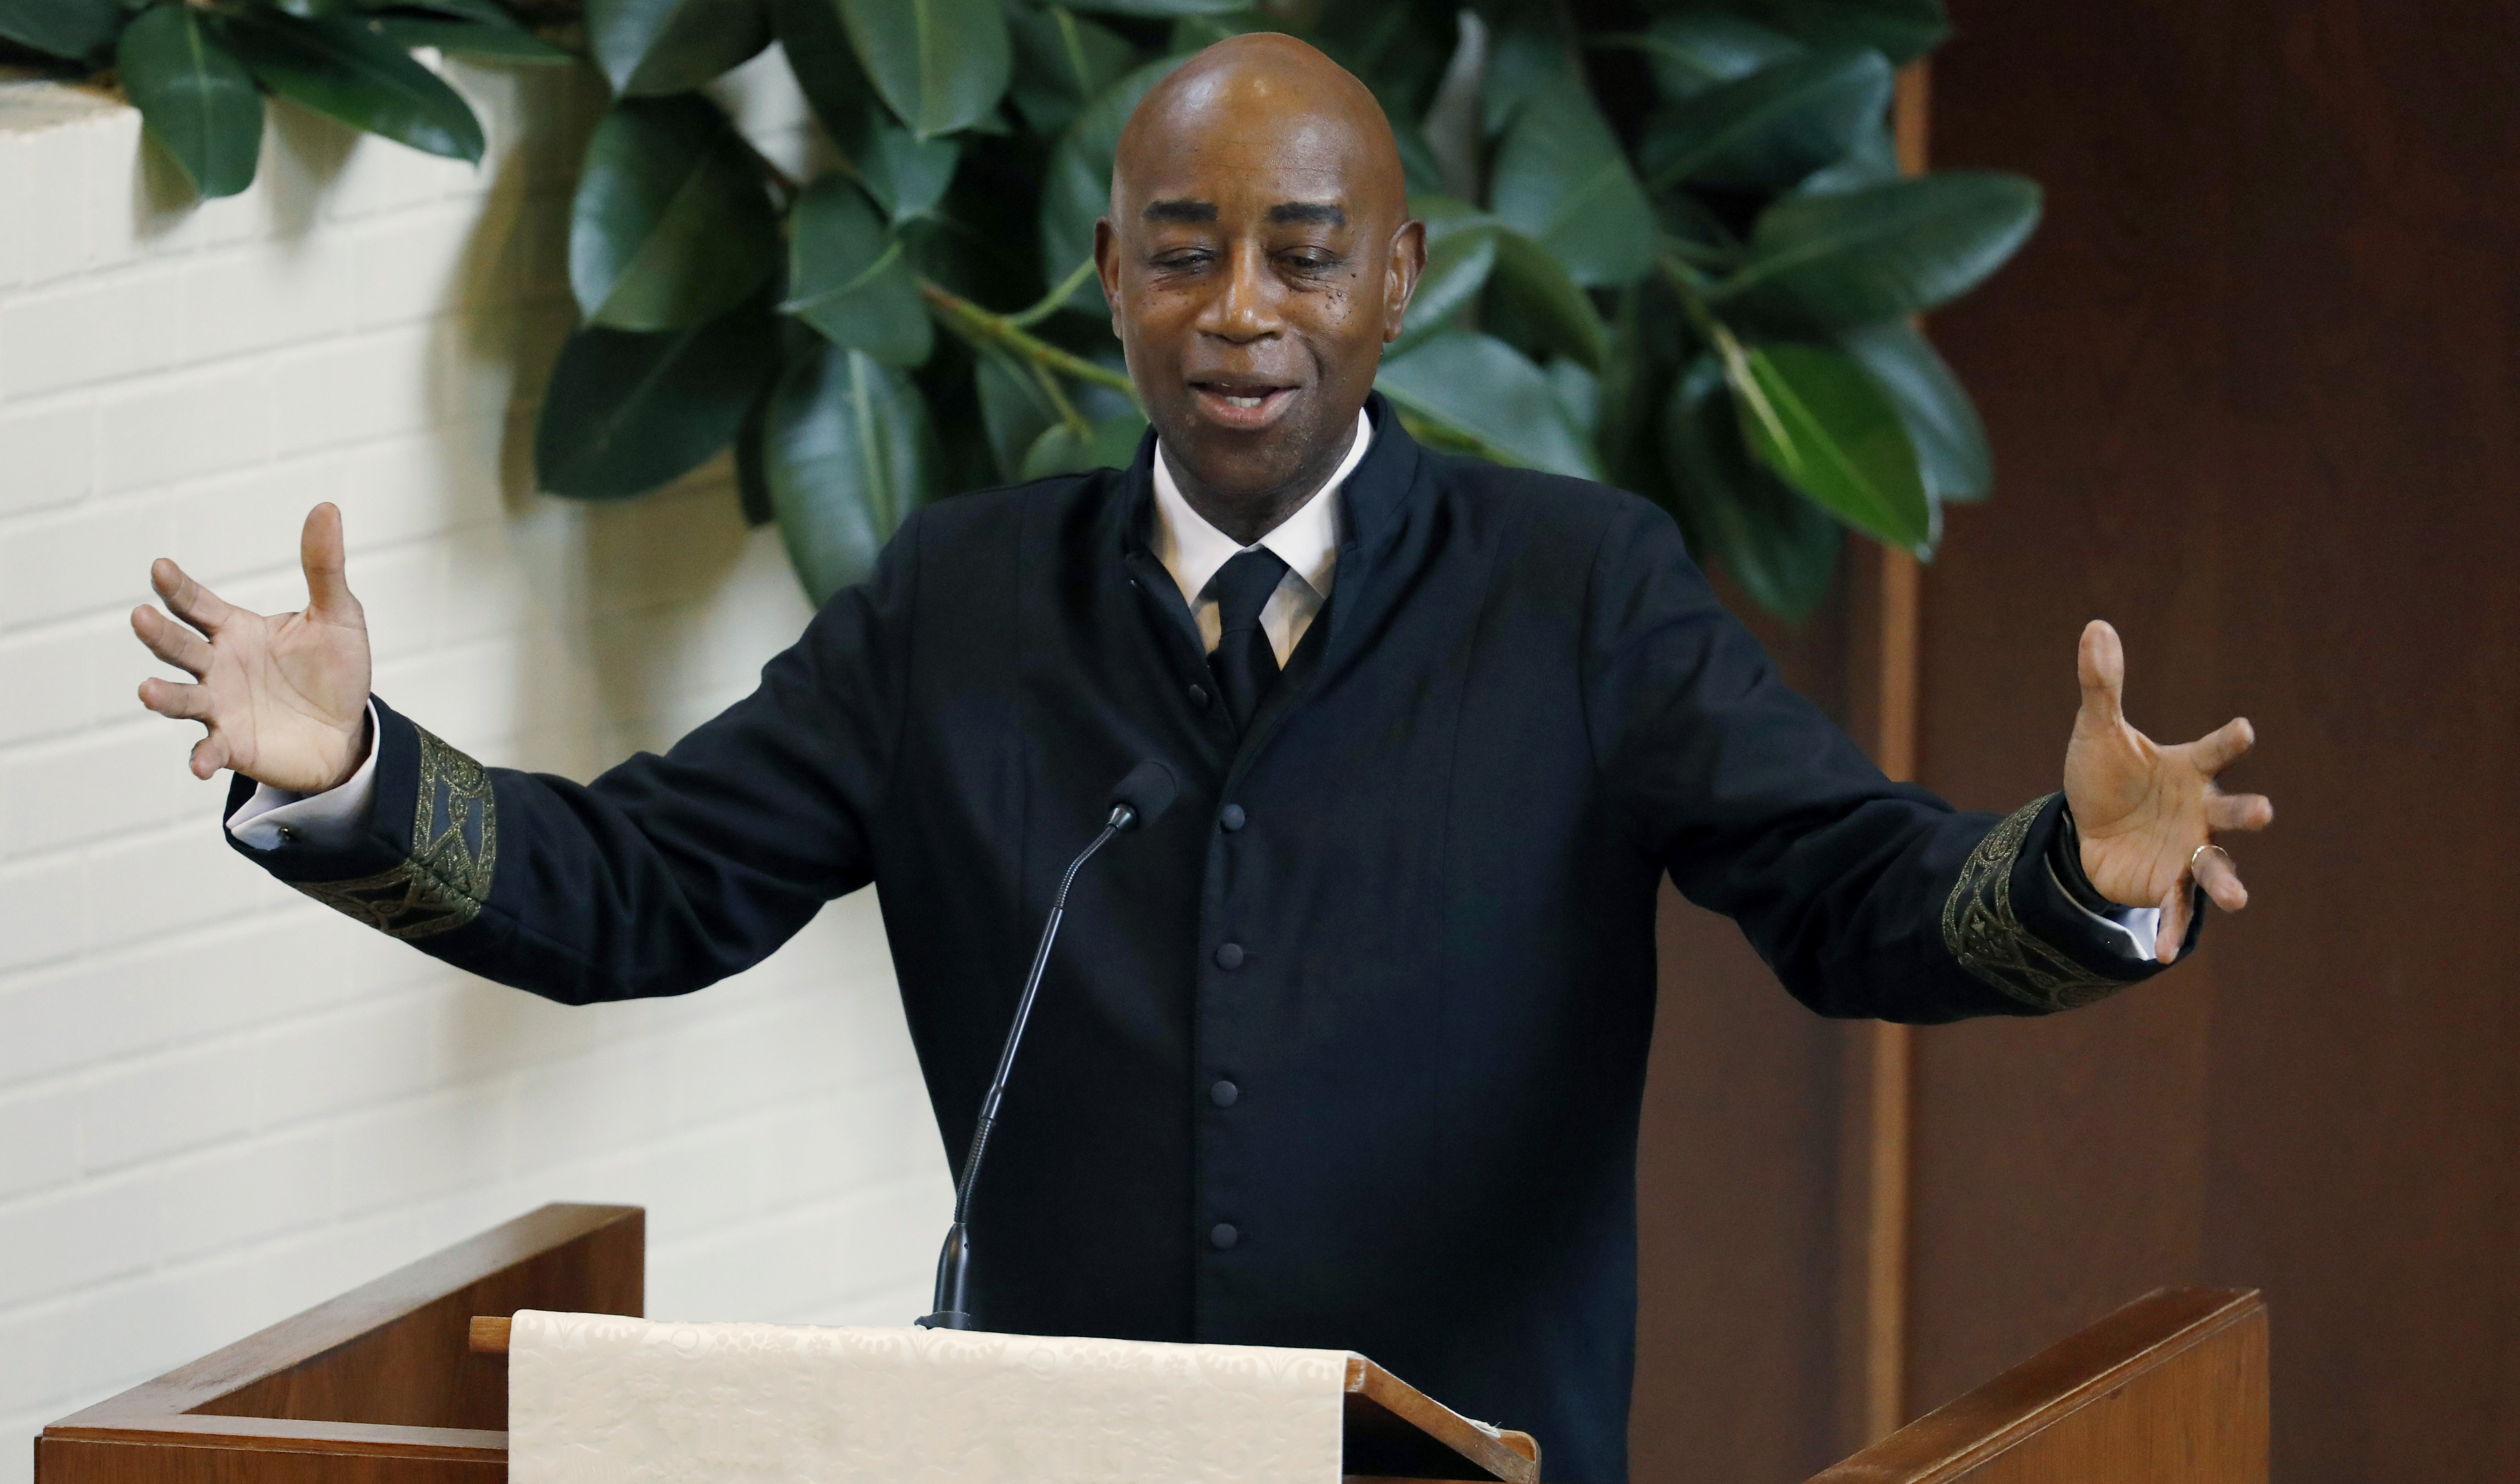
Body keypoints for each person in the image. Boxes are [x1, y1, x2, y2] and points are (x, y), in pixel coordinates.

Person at [126, 33, 2271, 1483]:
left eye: (1303, 253)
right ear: (1111, 281)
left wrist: (2077, 874)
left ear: (1400, 280)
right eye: (1185, 252)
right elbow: (642, 889)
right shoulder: (954, 603)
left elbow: (1847, 893)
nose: (1242, 306)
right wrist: (352, 774)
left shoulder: (1577, 590)